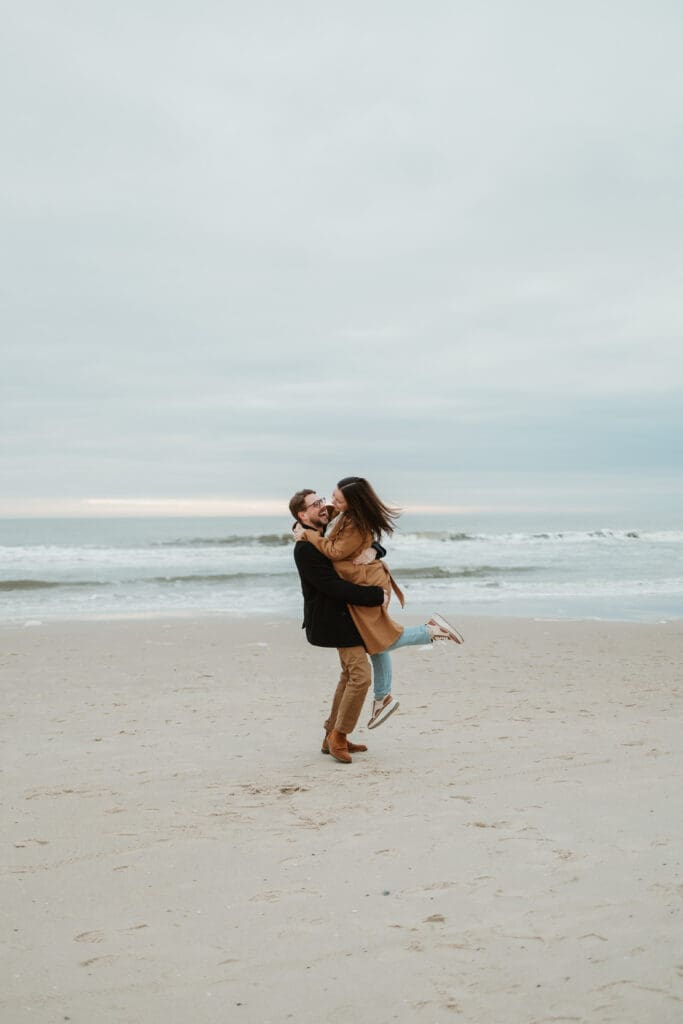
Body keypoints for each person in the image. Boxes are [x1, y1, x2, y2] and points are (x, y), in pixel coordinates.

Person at [292, 476, 463, 729]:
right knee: (376, 639)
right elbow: (348, 542)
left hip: (368, 585)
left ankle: (430, 631)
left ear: (352, 503)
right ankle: (381, 698)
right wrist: (373, 548)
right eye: (325, 499)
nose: (328, 504)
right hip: (362, 586)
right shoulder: (333, 518)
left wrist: (308, 534)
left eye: (334, 499)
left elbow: (339, 551)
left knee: (380, 640)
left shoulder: (347, 521)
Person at [289, 488, 387, 764]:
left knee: (348, 676)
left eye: (322, 500)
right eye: (314, 504)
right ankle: (339, 736)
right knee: (360, 677)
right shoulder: (305, 548)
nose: (323, 506)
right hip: (332, 619)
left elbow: (361, 541)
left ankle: (331, 733)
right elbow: (332, 586)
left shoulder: (328, 529)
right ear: (301, 514)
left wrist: (375, 549)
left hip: (346, 616)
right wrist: (375, 596)